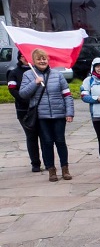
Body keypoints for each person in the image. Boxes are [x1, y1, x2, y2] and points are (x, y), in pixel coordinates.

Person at [21, 49, 74, 182]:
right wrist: (35, 83)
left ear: (48, 60)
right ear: (34, 61)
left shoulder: (58, 75)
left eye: (44, 58)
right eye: (39, 59)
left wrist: (69, 112)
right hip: (41, 116)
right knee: (47, 142)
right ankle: (51, 170)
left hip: (59, 114)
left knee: (60, 141)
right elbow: (23, 94)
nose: (42, 61)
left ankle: (65, 169)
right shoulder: (28, 75)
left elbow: (67, 95)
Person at [7, 51, 41, 172]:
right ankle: (35, 163)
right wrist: (24, 98)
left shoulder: (37, 71)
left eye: (28, 57)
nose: (26, 59)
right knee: (31, 136)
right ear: (19, 58)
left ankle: (49, 163)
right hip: (24, 110)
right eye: (23, 56)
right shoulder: (14, 73)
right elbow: (12, 90)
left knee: (45, 136)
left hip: (40, 108)